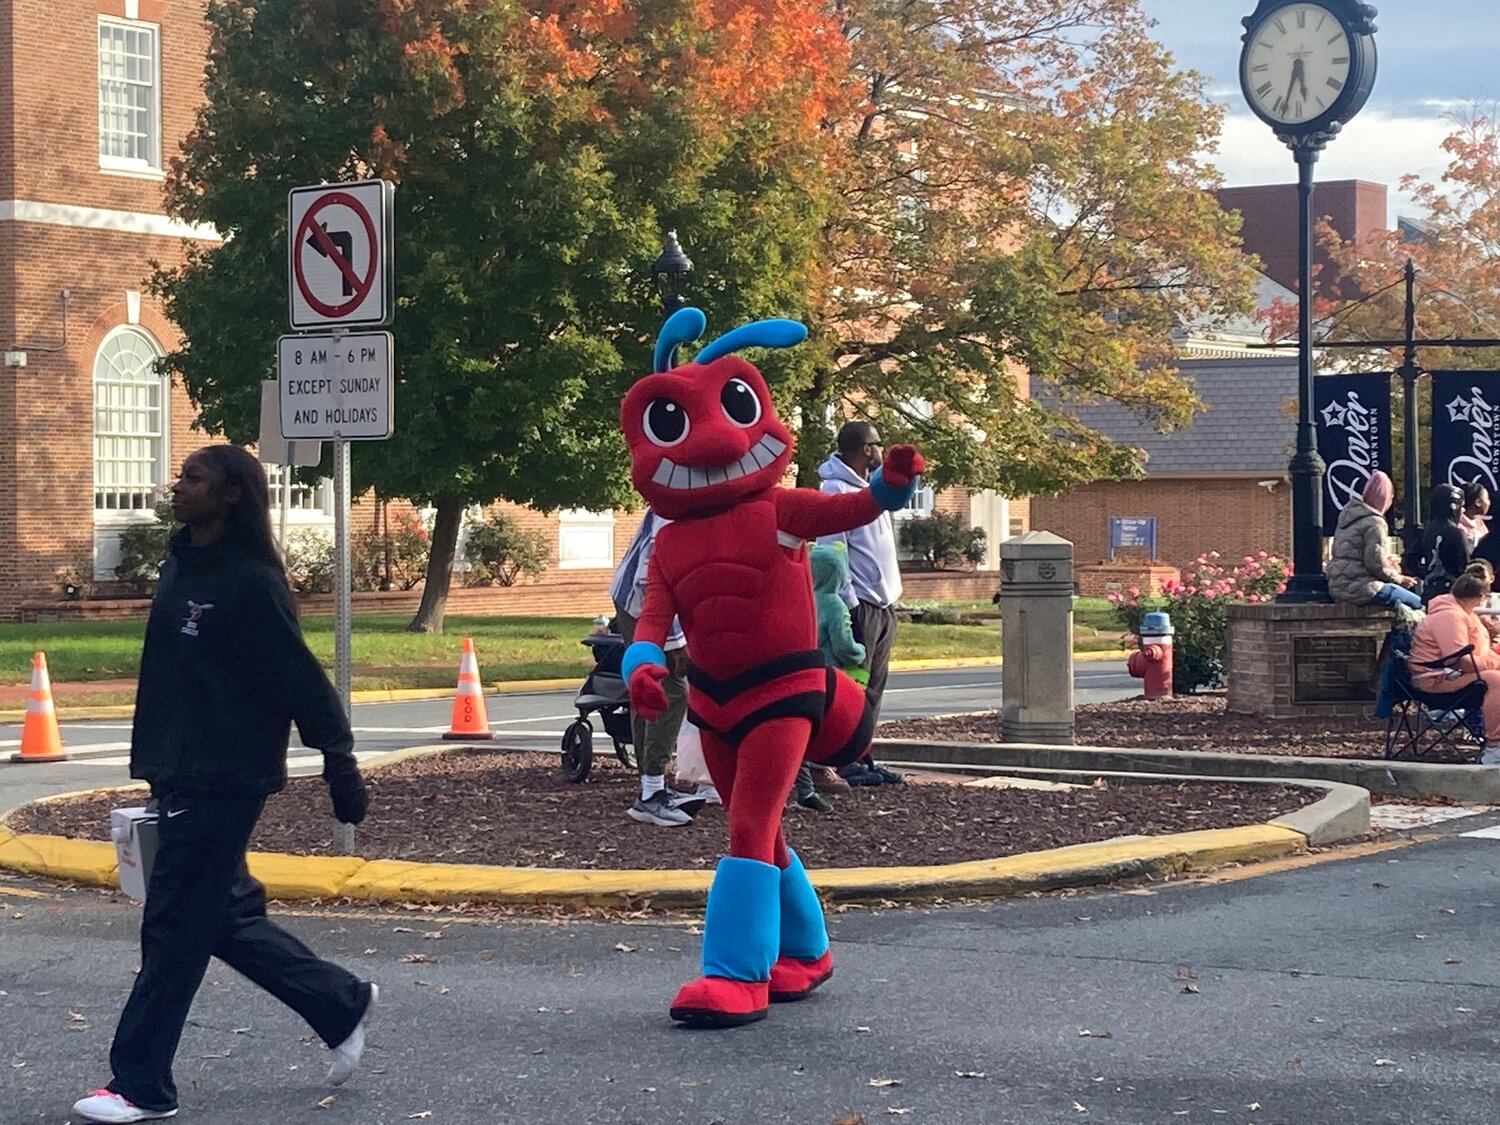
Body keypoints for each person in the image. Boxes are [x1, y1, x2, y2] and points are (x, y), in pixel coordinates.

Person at [73, 445, 374, 1125]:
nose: (177, 488)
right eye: (180, 477)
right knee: (224, 917)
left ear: (232, 493)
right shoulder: (181, 564)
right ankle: (339, 1001)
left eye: (194, 479)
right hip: (178, 770)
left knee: (174, 924)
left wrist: (339, 762)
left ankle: (141, 1083)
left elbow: (302, 682)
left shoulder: (249, 583)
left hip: (225, 777)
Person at [817, 421, 906, 786]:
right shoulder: (836, 491)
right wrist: (850, 605)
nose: (882, 451)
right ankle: (845, 761)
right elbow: (831, 552)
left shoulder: (873, 491)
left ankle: (864, 755)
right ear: (865, 450)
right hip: (861, 607)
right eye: (878, 444)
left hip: (883, 606)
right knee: (853, 688)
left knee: (874, 689)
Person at [609, 507, 709, 827]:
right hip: (643, 602)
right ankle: (652, 791)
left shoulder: (680, 491)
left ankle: (650, 784)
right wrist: (676, 640)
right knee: (671, 690)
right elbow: (651, 579)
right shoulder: (680, 508)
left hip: (631, 598)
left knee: (646, 688)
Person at [1407, 565, 1500, 763]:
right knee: (1496, 680)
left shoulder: (1458, 612)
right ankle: (1494, 747)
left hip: (1446, 674)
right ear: (1481, 597)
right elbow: (1460, 660)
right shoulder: (1450, 616)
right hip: (1434, 682)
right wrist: (1495, 662)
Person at [1327, 471, 1421, 610]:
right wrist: (1399, 579)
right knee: (1419, 603)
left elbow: (1355, 556)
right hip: (1362, 588)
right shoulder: (1375, 522)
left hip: (1338, 586)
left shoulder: (1349, 517)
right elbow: (1375, 564)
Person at [1406, 483, 1470, 605]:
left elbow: (1410, 559)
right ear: (1453, 507)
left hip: (1430, 590)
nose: (1463, 510)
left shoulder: (1428, 530)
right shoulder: (1456, 533)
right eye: (1461, 506)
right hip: (1453, 593)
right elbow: (1465, 567)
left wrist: (1426, 573)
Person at [1461, 480, 1492, 549]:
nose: (1489, 503)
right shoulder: (1458, 527)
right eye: (1487, 499)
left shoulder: (1479, 521)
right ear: (1478, 502)